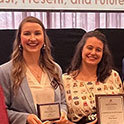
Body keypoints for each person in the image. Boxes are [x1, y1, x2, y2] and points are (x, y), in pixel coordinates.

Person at [0, 16, 68, 124]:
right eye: (27, 34)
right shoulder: (5, 71)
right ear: (19, 39)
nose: (32, 38)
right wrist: (25, 118)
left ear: (44, 39)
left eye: (37, 33)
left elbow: (63, 102)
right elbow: (3, 111)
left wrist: (63, 113)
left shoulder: (55, 69)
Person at [62, 30, 123, 124]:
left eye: (98, 50)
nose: (93, 53)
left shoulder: (113, 76)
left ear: (103, 54)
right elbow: (63, 119)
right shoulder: (65, 80)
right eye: (89, 48)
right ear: (81, 49)